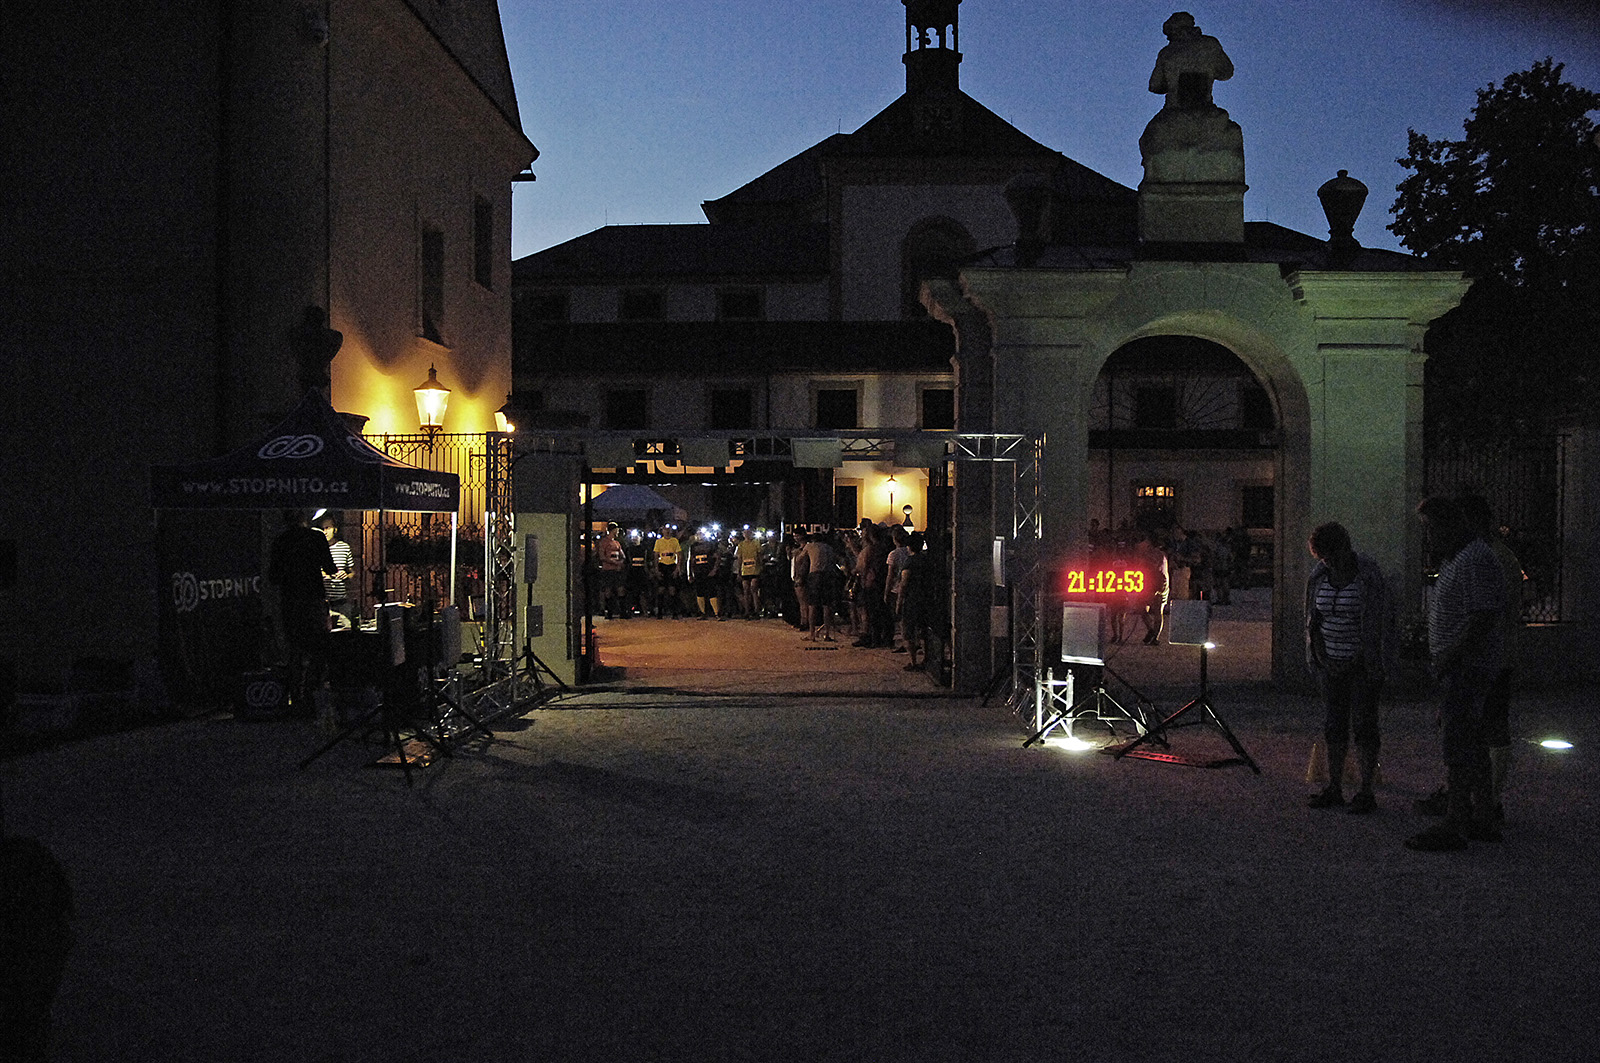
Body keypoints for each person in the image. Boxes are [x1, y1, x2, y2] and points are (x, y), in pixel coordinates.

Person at [1405, 496, 1506, 851]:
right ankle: (1482, 816)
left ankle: (1455, 821)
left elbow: (1482, 618)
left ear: (1450, 525)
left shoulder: (1474, 559)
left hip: (1466, 667)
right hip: (1461, 665)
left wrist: (1449, 655)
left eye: (1431, 529)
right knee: (1473, 742)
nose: (1428, 538)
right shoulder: (1457, 559)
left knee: (1459, 744)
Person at [1303, 522, 1396, 814]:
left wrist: (1359, 658)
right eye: (1322, 558)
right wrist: (1322, 657)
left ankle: (1366, 790)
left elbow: (1378, 623)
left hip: (1362, 666)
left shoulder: (1368, 576)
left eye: (1331, 557)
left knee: (1365, 725)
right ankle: (1335, 787)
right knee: (1334, 725)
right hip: (1330, 663)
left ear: (1344, 548)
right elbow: (1313, 621)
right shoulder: (1319, 576)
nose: (1327, 563)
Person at [269, 509, 337, 712]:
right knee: (319, 648)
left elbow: (273, 577)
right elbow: (330, 567)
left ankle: (295, 696)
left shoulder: (280, 541)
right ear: (304, 518)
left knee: (295, 649)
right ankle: (311, 693)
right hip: (313, 599)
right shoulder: (316, 537)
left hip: (290, 602)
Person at [1147, 11, 1233, 112]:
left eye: (1169, 34)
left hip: (1174, 112)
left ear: (1174, 31)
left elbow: (1155, 85)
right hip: (1206, 111)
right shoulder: (1210, 43)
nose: (1168, 38)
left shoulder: (1167, 52)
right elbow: (1226, 72)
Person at [318, 515, 356, 627]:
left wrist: (346, 575)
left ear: (335, 529)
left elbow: (352, 572)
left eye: (327, 528)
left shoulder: (344, 548)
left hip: (341, 601)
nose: (325, 532)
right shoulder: (318, 548)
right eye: (322, 528)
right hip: (324, 602)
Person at [595, 523, 628, 619]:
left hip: (617, 570)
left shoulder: (617, 543)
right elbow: (602, 556)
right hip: (608, 569)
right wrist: (614, 562)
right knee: (608, 590)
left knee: (620, 589)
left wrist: (620, 562)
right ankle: (609, 612)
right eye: (616, 530)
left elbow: (623, 555)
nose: (617, 532)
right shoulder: (604, 542)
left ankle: (622, 612)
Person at [651, 525, 684, 618]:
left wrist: (677, 568)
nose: (667, 532)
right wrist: (656, 569)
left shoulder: (674, 541)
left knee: (672, 589)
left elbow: (679, 555)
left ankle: (674, 612)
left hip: (671, 565)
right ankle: (660, 612)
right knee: (661, 589)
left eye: (668, 530)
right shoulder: (659, 541)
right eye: (665, 530)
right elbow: (656, 555)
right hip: (662, 565)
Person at [733, 530, 764, 619]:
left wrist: (761, 566)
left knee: (754, 589)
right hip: (745, 570)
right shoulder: (741, 545)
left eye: (748, 533)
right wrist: (739, 571)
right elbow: (739, 558)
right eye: (745, 533)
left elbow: (759, 555)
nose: (747, 535)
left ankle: (756, 611)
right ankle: (747, 611)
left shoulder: (756, 543)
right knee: (746, 590)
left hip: (755, 570)